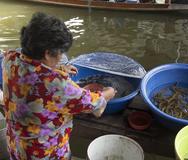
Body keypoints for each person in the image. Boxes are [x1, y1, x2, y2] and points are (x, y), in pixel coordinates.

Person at [2, 12, 116, 159]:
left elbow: (32, 71)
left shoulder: (10, 58)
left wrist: (59, 69)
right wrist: (108, 93)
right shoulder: (55, 83)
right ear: (48, 53)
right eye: (60, 53)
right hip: (43, 151)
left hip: (15, 142)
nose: (62, 57)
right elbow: (89, 102)